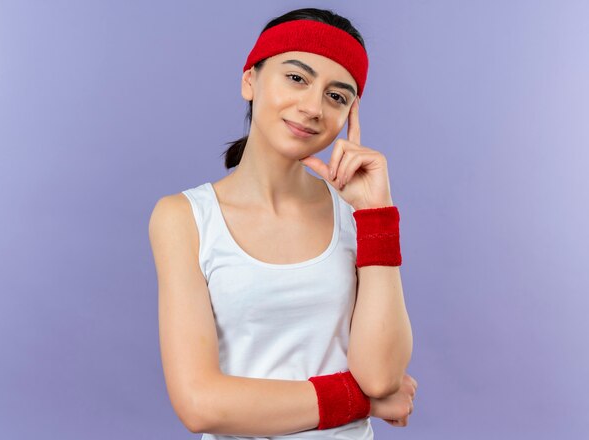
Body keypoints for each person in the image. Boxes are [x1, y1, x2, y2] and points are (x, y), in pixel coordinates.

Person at [149, 7, 417, 439]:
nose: (312, 107)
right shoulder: (184, 218)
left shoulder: (359, 215)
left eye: (337, 96)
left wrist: (376, 216)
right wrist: (363, 401)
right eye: (297, 78)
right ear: (249, 80)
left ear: (350, 113)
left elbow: (384, 376)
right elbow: (200, 403)